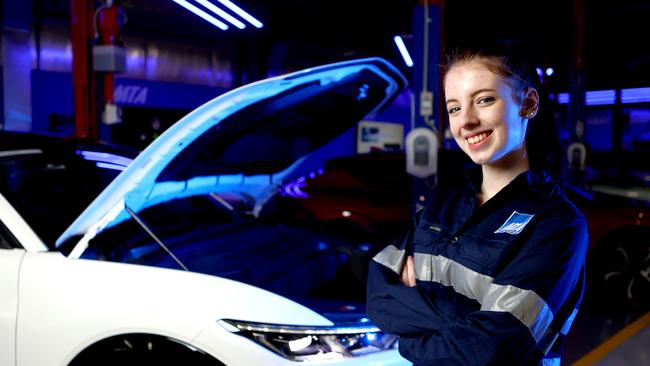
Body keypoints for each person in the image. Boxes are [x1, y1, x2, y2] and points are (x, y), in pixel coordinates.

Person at [366, 41, 588, 366]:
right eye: (454, 107)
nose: (465, 121)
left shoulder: (557, 224)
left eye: (483, 100)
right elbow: (378, 297)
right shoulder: (440, 206)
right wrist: (465, 323)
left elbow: (488, 351)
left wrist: (408, 341)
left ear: (528, 103)